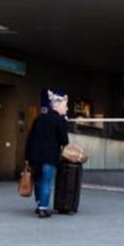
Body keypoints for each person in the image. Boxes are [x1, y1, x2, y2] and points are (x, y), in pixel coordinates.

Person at [25, 89, 70, 218]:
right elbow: (64, 141)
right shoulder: (59, 120)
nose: (66, 109)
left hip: (35, 155)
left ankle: (39, 204)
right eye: (65, 106)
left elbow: (30, 137)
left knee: (38, 180)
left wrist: (27, 156)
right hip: (49, 156)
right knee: (47, 181)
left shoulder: (39, 118)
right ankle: (43, 208)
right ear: (59, 106)